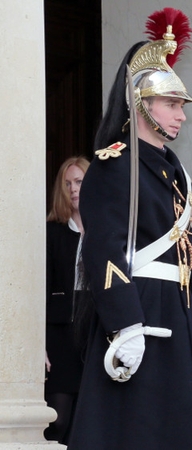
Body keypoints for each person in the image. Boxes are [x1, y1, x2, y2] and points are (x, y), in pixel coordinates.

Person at [68, 8, 192, 449]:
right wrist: (126, 324)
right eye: (171, 105)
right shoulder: (114, 166)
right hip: (140, 314)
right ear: (141, 104)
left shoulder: (176, 172)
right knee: (133, 429)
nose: (180, 116)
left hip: (176, 312)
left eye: (180, 106)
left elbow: (189, 253)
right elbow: (104, 250)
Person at [44, 156, 89, 444]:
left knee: (85, 425)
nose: (73, 189)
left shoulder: (108, 231)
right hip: (59, 337)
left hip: (94, 336)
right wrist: (40, 346)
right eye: (68, 183)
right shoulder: (52, 232)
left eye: (80, 182)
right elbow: (40, 292)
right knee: (57, 420)